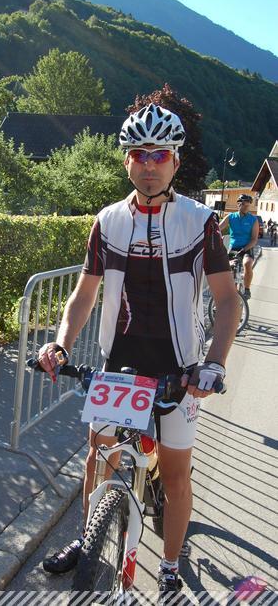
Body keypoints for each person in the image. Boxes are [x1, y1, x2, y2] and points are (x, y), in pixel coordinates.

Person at [37, 104, 240, 603]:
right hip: (118, 364)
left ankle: (168, 566)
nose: (150, 164)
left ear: (175, 161)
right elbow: (84, 294)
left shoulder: (200, 221)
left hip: (180, 370)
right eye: (140, 154)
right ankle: (88, 539)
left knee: (174, 473)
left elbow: (227, 300)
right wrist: (61, 342)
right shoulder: (107, 221)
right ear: (127, 160)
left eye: (160, 155)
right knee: (98, 456)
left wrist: (214, 364)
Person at [219, 194, 259, 299]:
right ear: (239, 205)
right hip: (233, 247)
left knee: (247, 263)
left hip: (247, 248)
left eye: (248, 206)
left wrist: (244, 250)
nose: (246, 207)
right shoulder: (231, 217)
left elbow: (254, 239)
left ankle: (247, 289)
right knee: (229, 268)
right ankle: (231, 291)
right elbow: (218, 228)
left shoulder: (253, 220)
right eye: (244, 205)